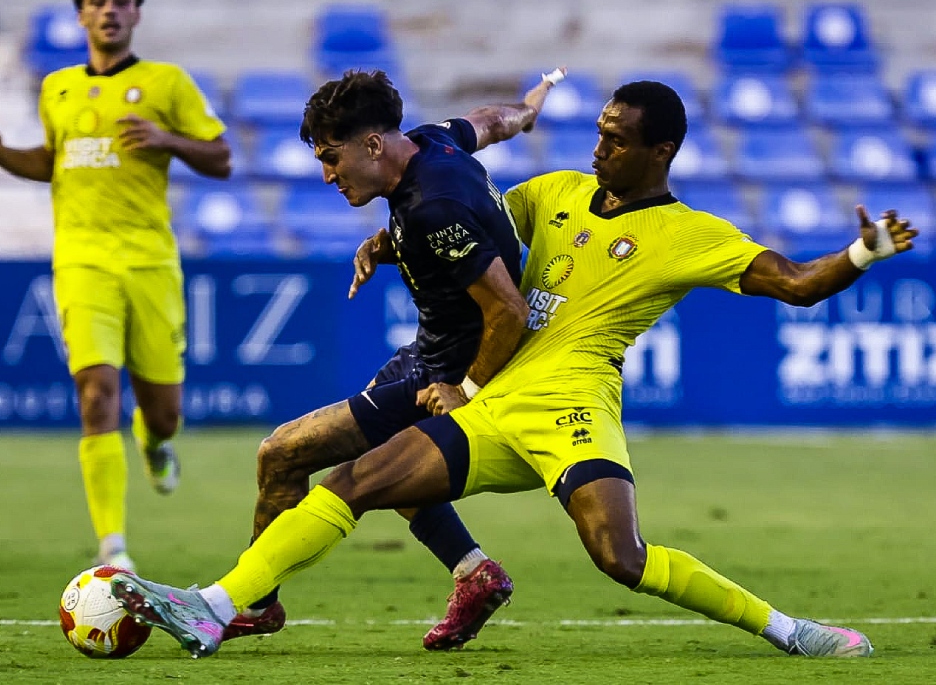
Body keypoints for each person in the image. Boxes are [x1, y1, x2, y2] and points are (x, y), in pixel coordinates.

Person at [110, 80, 917, 660]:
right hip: (496, 400)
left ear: (661, 150)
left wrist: (860, 252)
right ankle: (211, 607)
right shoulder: (557, 192)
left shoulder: (690, 233)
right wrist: (389, 240)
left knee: (620, 559)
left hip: (573, 404)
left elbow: (798, 285)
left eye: (617, 140)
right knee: (349, 484)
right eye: (598, 131)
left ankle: (790, 632)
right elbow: (474, 219)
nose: (598, 148)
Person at [219, 68, 565, 650]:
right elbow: (495, 120)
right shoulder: (435, 141)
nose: (327, 175)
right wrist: (532, 105)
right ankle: (475, 574)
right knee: (388, 468)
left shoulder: (433, 208)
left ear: (373, 145)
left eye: (332, 158)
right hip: (428, 353)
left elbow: (508, 309)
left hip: (448, 370)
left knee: (282, 455)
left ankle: (252, 603)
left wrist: (466, 392)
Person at [0, 0, 231, 571]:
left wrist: (168, 139)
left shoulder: (167, 83)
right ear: (80, 12)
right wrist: (5, 154)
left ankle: (154, 440)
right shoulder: (57, 88)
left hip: (150, 263)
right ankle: (113, 546)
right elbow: (54, 163)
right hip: (82, 262)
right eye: (97, 1)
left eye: (119, 0)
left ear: (136, 11)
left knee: (164, 412)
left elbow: (220, 157)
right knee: (95, 395)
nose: (108, 10)